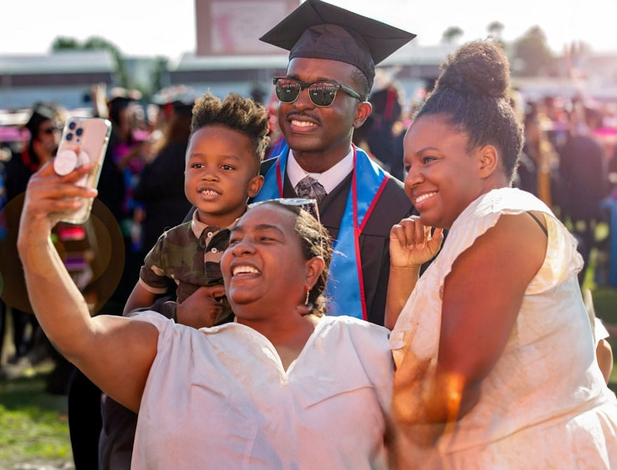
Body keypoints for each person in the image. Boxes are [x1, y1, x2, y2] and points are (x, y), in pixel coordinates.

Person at [18, 161, 394, 468]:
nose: (242, 249)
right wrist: (34, 230)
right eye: (235, 240)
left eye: (265, 238)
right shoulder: (172, 348)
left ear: (310, 271)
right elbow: (78, 334)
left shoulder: (366, 347)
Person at [386, 41, 617, 469]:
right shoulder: (485, 225)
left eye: (428, 160)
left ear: (486, 159)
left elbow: (451, 392)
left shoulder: (500, 217)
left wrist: (384, 445)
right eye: (408, 165)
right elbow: (406, 356)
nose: (413, 178)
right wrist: (406, 271)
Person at [253, 0, 416, 325]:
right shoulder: (244, 188)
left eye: (323, 93)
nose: (299, 103)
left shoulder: (396, 208)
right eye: (290, 88)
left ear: (360, 114)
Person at [124, 92, 268, 326]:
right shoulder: (171, 242)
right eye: (197, 165)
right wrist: (176, 314)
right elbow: (131, 316)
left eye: (227, 167)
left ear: (254, 185)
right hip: (183, 358)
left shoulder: (265, 241)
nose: (209, 175)